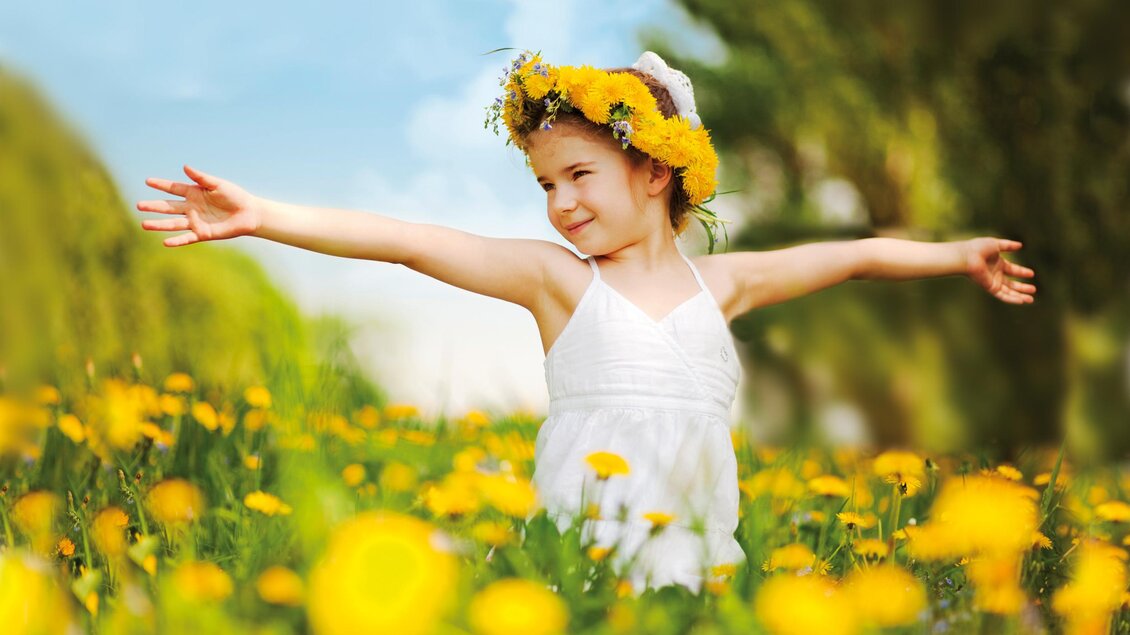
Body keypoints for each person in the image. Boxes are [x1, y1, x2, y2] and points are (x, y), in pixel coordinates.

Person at [136, 50, 1037, 596]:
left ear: (655, 171)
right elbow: (411, 241)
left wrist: (956, 255)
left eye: (579, 176)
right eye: (545, 186)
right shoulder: (557, 284)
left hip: (699, 565)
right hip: (580, 564)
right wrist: (264, 213)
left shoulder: (724, 285)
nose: (560, 204)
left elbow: (853, 255)